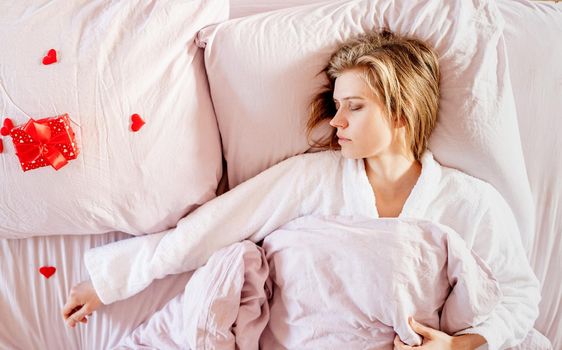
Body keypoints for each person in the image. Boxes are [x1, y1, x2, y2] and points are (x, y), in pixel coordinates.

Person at [62, 30, 540, 350]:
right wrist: (110, 283)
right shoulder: (314, 178)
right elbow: (209, 231)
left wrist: (460, 345)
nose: (337, 123)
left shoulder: (470, 203)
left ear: (401, 113)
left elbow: (519, 297)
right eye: (336, 106)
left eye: (354, 107)